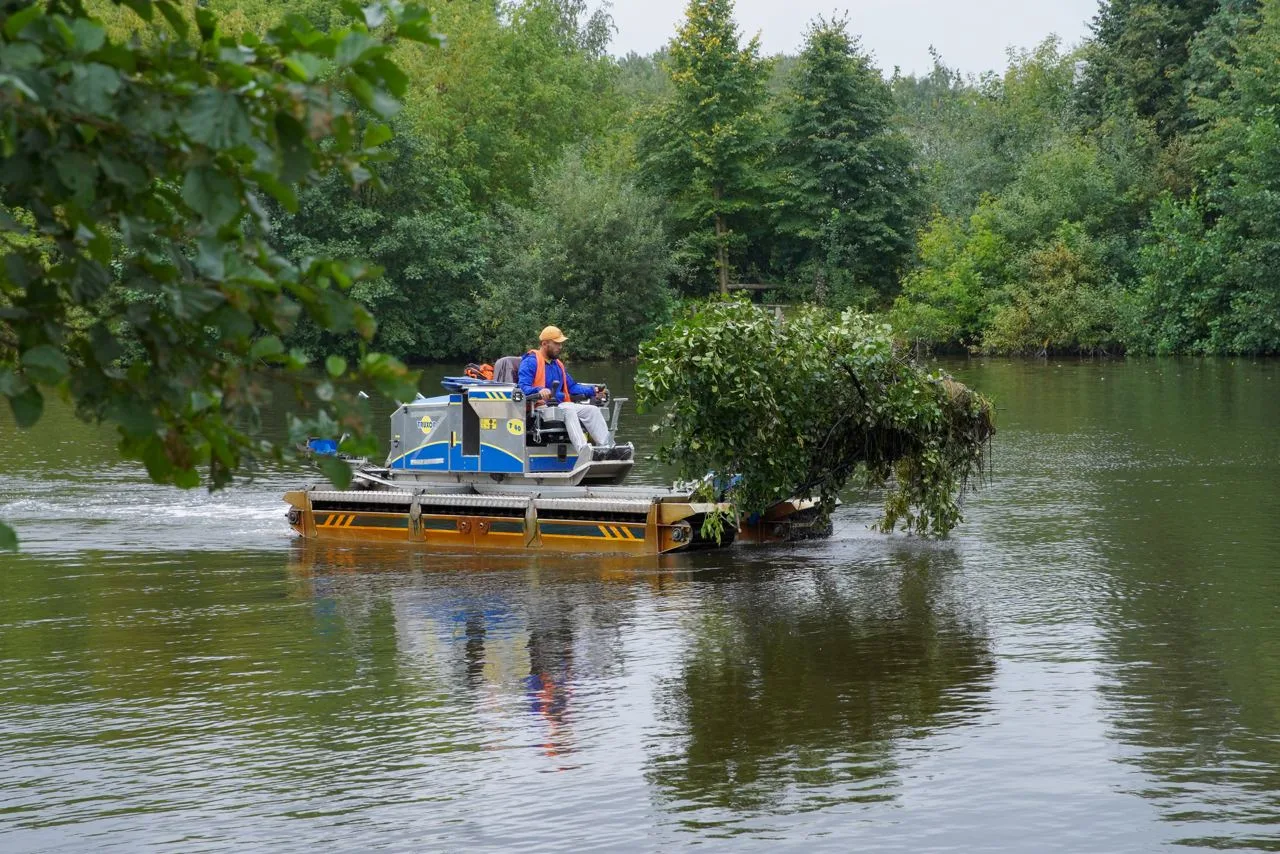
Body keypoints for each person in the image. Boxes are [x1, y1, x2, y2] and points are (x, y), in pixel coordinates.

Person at [518, 325, 613, 454]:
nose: (560, 347)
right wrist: (539, 390)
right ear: (545, 343)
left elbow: (572, 386)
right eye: (557, 343)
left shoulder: (557, 365)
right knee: (568, 409)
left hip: (560, 406)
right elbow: (522, 388)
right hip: (539, 409)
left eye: (561, 344)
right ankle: (584, 451)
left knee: (593, 410)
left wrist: (593, 390)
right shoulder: (530, 362)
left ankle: (607, 449)